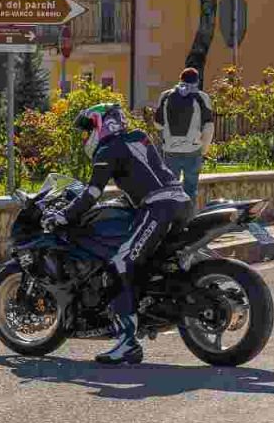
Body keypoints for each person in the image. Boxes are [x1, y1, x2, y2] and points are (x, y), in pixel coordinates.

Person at [42, 104, 193, 365]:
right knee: (148, 262)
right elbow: (144, 175)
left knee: (121, 262)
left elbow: (92, 192)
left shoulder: (108, 148)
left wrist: (64, 215)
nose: (86, 136)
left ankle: (127, 344)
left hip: (158, 207)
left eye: (89, 129)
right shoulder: (139, 137)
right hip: (181, 201)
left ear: (102, 125)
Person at [154, 67, 215, 203]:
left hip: (170, 150)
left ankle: (171, 220)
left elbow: (158, 124)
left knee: (170, 189)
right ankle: (188, 220)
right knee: (190, 190)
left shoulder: (165, 96)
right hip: (193, 150)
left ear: (180, 79)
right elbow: (209, 126)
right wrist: (204, 149)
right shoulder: (201, 97)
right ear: (197, 81)